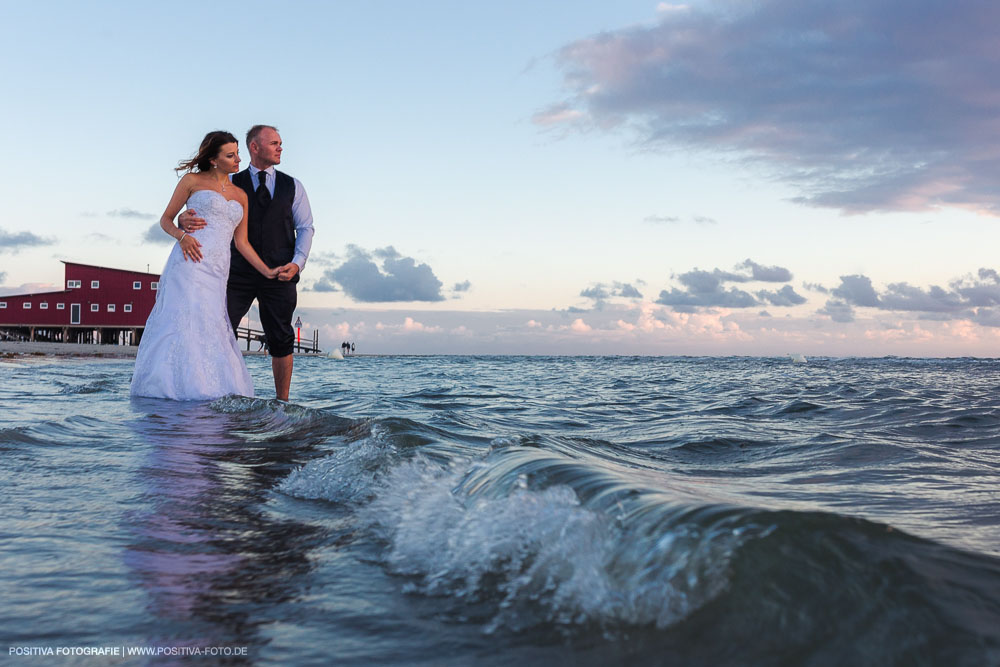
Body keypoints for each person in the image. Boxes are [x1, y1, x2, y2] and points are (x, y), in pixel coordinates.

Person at [131, 131, 278, 400]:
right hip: (188, 263)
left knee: (211, 323)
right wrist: (182, 235)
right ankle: (177, 389)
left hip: (218, 270)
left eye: (237, 154)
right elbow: (165, 219)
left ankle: (212, 387)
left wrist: (267, 271)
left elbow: (242, 243)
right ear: (213, 159)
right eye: (230, 155)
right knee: (186, 321)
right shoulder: (191, 181)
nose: (237, 160)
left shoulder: (240, 195)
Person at [178, 125, 314, 402]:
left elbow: (306, 228)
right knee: (220, 329)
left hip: (280, 273)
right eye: (274, 143)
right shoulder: (228, 182)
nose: (280, 148)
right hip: (234, 273)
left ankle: (282, 404)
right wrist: (182, 220)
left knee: (282, 338)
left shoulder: (294, 186)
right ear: (255, 147)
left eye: (280, 143)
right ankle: (213, 395)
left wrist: (297, 264)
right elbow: (201, 209)